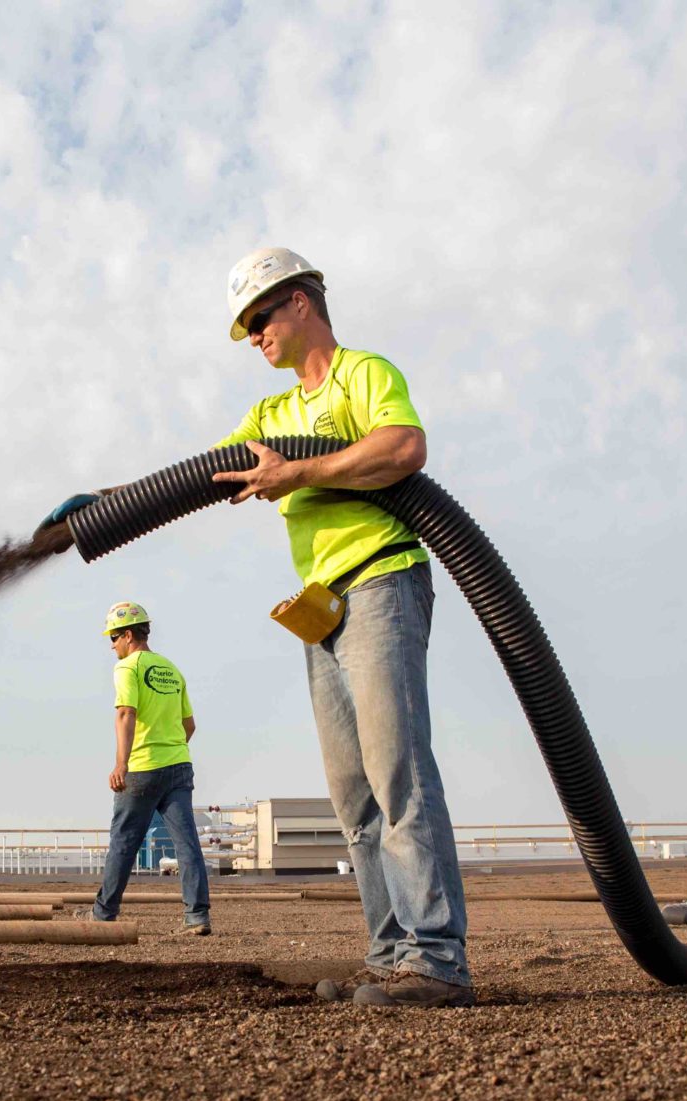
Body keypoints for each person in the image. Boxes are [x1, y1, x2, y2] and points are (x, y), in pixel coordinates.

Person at [210, 247, 472, 1007]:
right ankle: (392, 955)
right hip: (321, 607)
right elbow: (200, 473)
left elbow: (404, 447)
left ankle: (438, 959)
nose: (254, 334)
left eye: (259, 317)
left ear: (298, 302)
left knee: (399, 772)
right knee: (352, 794)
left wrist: (298, 472)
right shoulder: (271, 416)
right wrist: (102, 503)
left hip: (383, 583)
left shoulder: (363, 374)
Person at [87, 601, 212, 934]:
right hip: (179, 767)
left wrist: (121, 763)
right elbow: (190, 725)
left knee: (124, 843)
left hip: (141, 768)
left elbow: (125, 713)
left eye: (113, 637)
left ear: (128, 635)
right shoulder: (172, 669)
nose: (111, 645)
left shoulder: (127, 667)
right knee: (186, 843)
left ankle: (103, 915)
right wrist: (170, 748)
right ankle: (197, 917)